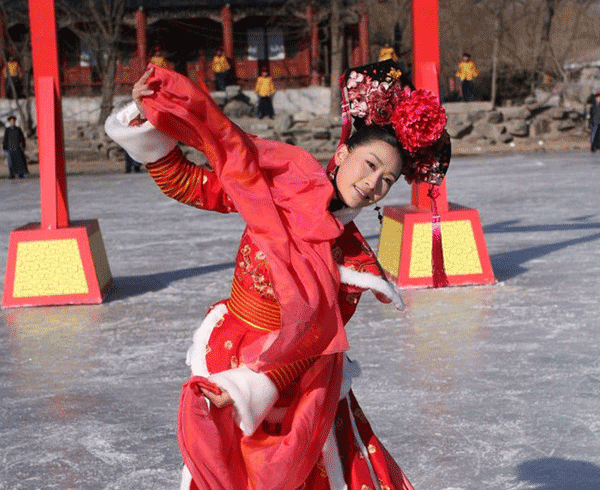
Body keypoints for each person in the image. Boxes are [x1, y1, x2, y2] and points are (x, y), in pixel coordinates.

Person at [105, 58, 450, 490]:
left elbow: (314, 343)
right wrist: (150, 116)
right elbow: (188, 184)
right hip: (229, 348)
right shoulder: (282, 186)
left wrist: (247, 388)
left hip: (289, 385)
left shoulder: (354, 261)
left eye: (388, 180)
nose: (373, 183)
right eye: (370, 164)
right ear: (343, 153)